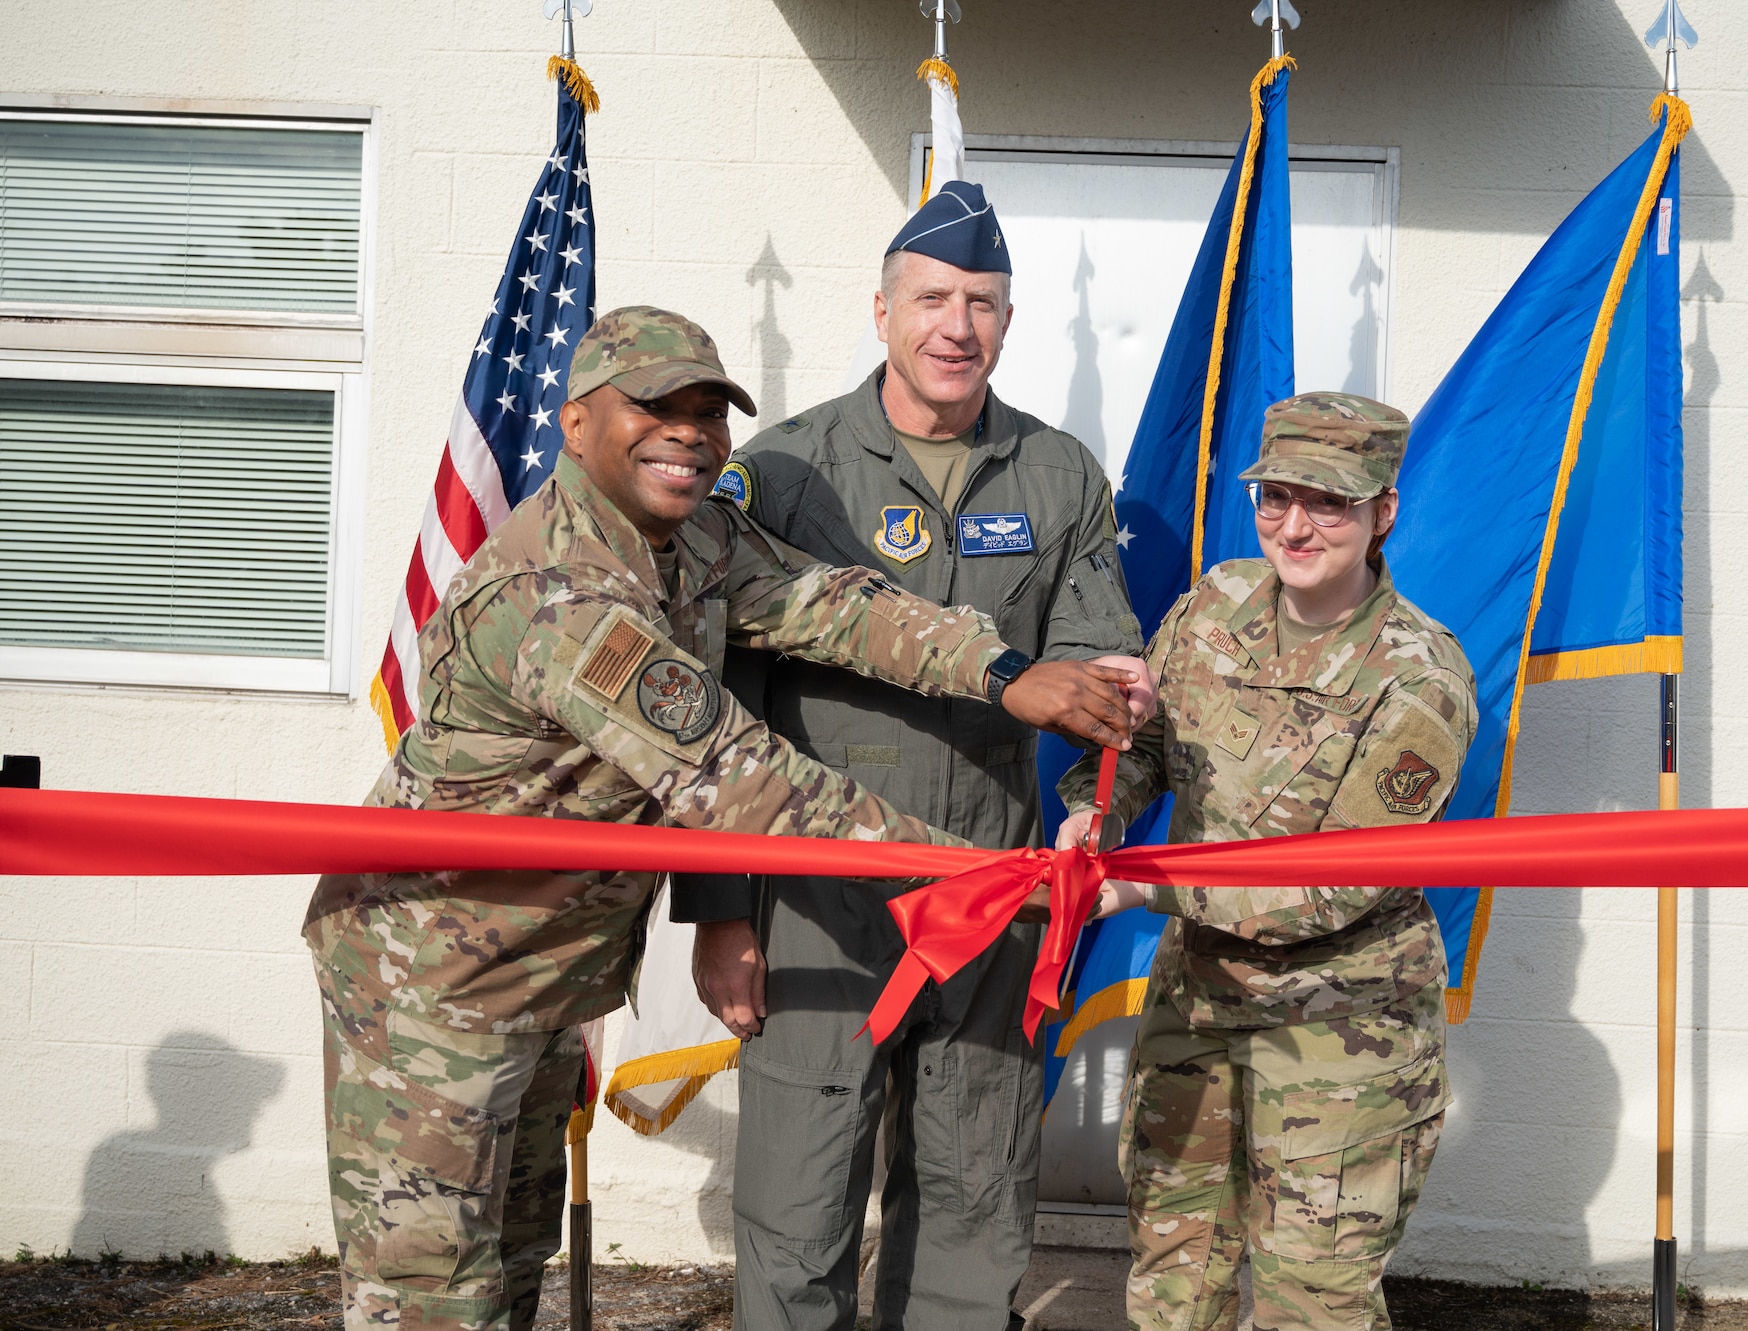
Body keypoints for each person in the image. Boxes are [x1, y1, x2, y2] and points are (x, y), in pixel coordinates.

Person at [302, 305, 1138, 1331]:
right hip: (434, 981)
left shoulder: (691, 535)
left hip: (548, 965)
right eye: (655, 406)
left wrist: (1005, 672)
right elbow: (740, 777)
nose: (689, 431)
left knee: (515, 1255)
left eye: (708, 410)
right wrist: (972, 871)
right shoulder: (558, 593)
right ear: (574, 423)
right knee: (433, 1293)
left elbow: (827, 602)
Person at [675, 181, 1148, 1331]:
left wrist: (1098, 808)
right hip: (815, 902)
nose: (956, 324)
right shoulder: (783, 473)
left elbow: (1103, 679)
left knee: (973, 1199)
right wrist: (720, 910)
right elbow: (720, 703)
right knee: (797, 1199)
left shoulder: (1059, 475)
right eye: (932, 297)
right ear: (880, 310)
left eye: (981, 302)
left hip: (991, 891)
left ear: (1006, 322)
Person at [1051, 393, 1477, 1331]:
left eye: (1328, 502)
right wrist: (1098, 809)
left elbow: (1335, 882)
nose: (1295, 525)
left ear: (1383, 512)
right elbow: (1146, 742)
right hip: (1198, 1003)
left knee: (1311, 1303)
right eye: (1275, 495)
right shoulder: (1217, 601)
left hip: (1340, 1033)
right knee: (1174, 1273)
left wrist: (1137, 886)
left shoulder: (1421, 678)